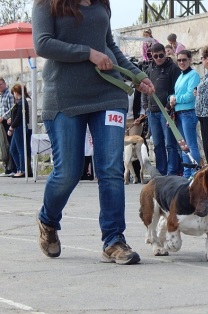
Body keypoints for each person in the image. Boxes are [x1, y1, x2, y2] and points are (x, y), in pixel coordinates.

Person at [32, 0, 155, 265]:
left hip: (108, 94)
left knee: (111, 168)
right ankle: (48, 220)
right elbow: (42, 44)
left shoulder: (100, 3)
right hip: (65, 97)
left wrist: (136, 74)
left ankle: (113, 240)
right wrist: (87, 52)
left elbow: (109, 46)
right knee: (69, 172)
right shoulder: (46, 3)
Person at [142, 43, 181, 176]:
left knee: (170, 144)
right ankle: (161, 173)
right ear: (152, 56)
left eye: (161, 55)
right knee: (158, 145)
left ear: (165, 54)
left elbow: (176, 90)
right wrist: (146, 107)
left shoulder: (173, 68)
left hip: (167, 111)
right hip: (152, 112)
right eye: (156, 56)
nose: (158, 58)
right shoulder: (149, 70)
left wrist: (169, 107)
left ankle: (172, 172)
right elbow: (144, 89)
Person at [169, 50, 201, 178]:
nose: (181, 62)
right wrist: (171, 98)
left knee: (191, 145)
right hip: (179, 112)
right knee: (184, 146)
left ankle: (195, 173)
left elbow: (190, 96)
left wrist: (175, 99)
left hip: (188, 112)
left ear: (190, 60)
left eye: (184, 60)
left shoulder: (193, 75)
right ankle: (187, 174)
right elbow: (177, 94)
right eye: (179, 60)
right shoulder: (181, 76)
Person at [7, 84, 30, 178]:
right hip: (17, 127)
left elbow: (19, 117)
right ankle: (19, 168)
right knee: (13, 150)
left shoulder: (22, 102)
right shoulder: (19, 102)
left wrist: (11, 127)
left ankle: (22, 170)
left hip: (20, 127)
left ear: (16, 92)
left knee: (20, 149)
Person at [0, 77, 16, 177]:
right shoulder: (0, 96)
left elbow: (12, 109)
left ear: (5, 84)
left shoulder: (9, 95)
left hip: (8, 122)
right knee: (3, 146)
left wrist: (3, 117)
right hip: (2, 123)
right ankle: (7, 168)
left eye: (1, 84)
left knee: (10, 144)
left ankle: (12, 168)